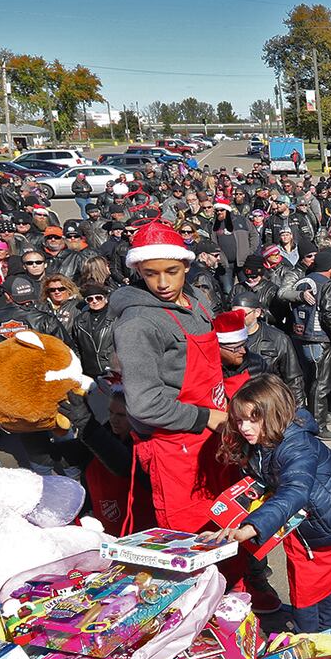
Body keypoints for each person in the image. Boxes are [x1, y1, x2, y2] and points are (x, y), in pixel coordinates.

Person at [213, 374, 331, 633]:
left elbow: (294, 491)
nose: (244, 428)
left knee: (307, 592)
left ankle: (309, 636)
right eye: (239, 420)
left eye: (253, 419)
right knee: (322, 585)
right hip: (318, 519)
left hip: (328, 521)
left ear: (273, 414)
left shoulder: (297, 445)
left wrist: (249, 528)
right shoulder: (264, 439)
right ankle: (327, 630)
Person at [109, 220, 231, 533]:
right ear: (139, 271)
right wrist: (208, 417)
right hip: (175, 447)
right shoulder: (138, 323)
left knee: (229, 517)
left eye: (171, 271)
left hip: (214, 430)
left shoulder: (197, 301)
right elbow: (145, 405)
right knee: (195, 533)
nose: (162, 283)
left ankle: (242, 580)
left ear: (186, 266)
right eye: (151, 274)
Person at [289, 248, 331, 441]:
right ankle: (317, 424)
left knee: (310, 379)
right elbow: (330, 316)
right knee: (321, 384)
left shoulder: (302, 281)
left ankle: (317, 414)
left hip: (299, 338)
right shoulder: (327, 284)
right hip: (318, 338)